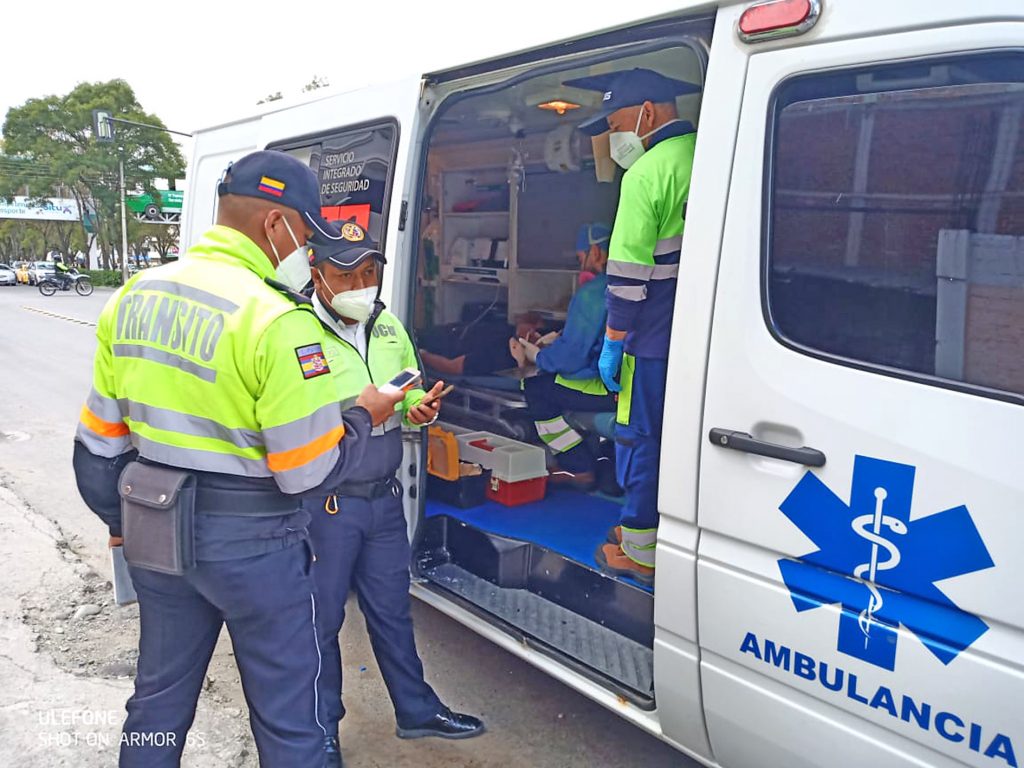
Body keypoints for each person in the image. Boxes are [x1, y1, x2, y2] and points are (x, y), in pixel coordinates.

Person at [72, 150, 404, 767]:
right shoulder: (277, 318)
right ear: (278, 226)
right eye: (308, 236)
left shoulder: (132, 297)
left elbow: (96, 452)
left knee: (158, 700)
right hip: (255, 544)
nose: (307, 251)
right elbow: (305, 469)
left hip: (158, 532)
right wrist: (363, 418)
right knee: (290, 719)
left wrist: (126, 524)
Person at [304, 223, 485, 767]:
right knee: (319, 622)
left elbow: (403, 393)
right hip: (326, 501)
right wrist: (357, 412)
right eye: (346, 274)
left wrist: (416, 409)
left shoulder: (387, 327)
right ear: (317, 274)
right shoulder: (294, 332)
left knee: (391, 610)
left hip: (382, 498)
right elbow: (287, 418)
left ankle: (416, 709)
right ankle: (318, 730)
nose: (361, 284)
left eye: (369, 272)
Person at [570, 67, 699, 585]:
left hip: (651, 337)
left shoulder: (647, 173)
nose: (615, 137)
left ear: (648, 112)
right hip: (693, 331)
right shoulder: (709, 155)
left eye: (618, 122)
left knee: (642, 438)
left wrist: (613, 341)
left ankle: (642, 552)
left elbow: (626, 275)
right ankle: (653, 538)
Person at [514, 223, 617, 490]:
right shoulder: (628, 286)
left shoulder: (592, 295)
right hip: (630, 385)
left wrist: (536, 355)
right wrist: (558, 340)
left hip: (605, 388)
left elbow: (570, 358)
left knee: (536, 387)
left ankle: (577, 466)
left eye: (581, 257)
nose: (581, 264)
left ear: (596, 251)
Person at [418, 311, 544, 376]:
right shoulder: (506, 331)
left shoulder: (498, 358)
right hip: (455, 330)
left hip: (441, 343)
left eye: (536, 331)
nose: (533, 331)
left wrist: (421, 355)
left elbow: (452, 367)